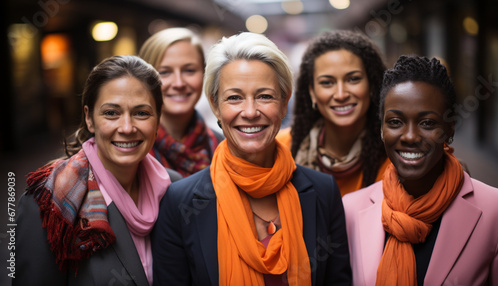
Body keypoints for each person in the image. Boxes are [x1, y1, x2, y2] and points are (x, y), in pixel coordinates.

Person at [152, 32, 352, 285]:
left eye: (264, 96)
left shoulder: (324, 192)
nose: (249, 112)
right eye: (234, 97)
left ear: (284, 101)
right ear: (215, 105)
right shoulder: (180, 202)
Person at [14, 55, 178, 286]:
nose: (127, 127)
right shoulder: (50, 203)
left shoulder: (174, 189)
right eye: (111, 113)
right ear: (89, 119)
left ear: (158, 119)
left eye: (141, 113)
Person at [342, 55, 498, 285]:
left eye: (427, 123)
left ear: (449, 129)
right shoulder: (352, 210)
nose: (410, 137)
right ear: (381, 130)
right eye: (395, 122)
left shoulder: (494, 211)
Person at [277, 30, 390, 196]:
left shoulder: (393, 156)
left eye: (353, 79)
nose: (341, 94)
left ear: (372, 86)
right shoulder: (280, 149)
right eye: (327, 82)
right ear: (312, 92)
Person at [139, 27, 224, 177]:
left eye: (189, 70)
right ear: (145, 80)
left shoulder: (223, 146)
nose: (178, 83)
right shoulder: (129, 147)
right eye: (164, 72)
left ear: (204, 74)